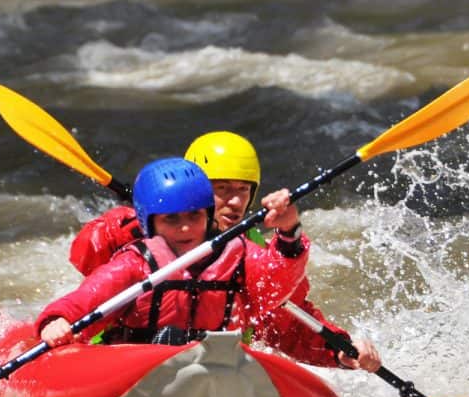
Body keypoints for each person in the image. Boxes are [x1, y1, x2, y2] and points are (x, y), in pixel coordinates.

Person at [67, 132, 382, 371]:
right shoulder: (137, 230)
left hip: (215, 364)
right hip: (126, 358)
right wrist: (137, 227)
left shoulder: (253, 251)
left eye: (242, 190)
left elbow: (287, 320)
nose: (234, 202)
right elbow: (85, 257)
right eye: (222, 190)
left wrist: (338, 348)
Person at [38, 157, 308, 348]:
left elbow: (276, 287)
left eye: (194, 215)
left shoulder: (237, 255)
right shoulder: (135, 262)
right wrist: (57, 321)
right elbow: (86, 299)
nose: (185, 227)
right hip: (140, 367)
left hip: (218, 365)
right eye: (171, 219)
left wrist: (288, 233)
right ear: (149, 223)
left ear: (209, 215)